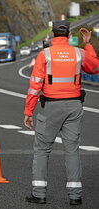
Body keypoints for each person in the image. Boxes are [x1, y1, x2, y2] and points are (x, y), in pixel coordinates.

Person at [23, 21, 99, 206]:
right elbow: (95, 67)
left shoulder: (45, 54)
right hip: (74, 106)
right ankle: (75, 196)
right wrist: (88, 43)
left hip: (51, 107)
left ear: (53, 34)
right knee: (72, 150)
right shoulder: (79, 53)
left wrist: (28, 111)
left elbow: (35, 85)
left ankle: (39, 194)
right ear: (68, 34)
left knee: (42, 149)